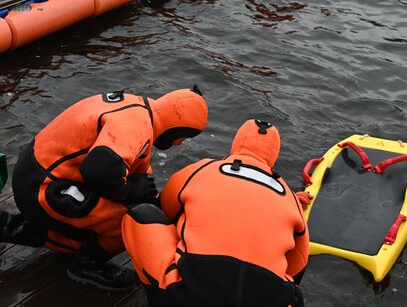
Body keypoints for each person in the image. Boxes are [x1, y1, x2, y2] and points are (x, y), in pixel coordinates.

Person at [0, 87, 209, 291]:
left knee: (115, 214)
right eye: (184, 136)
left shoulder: (139, 108)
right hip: (44, 188)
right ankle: (87, 265)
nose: (181, 143)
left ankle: (5, 226)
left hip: (36, 172)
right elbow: (99, 170)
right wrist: (130, 193)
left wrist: (155, 202)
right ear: (177, 128)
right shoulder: (136, 126)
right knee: (128, 221)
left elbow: (132, 168)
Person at [121, 119, 309, 307]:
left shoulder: (202, 169)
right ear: (274, 154)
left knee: (142, 215)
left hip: (190, 296)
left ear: (237, 143)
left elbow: (164, 208)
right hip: (267, 299)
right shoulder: (289, 197)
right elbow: (298, 265)